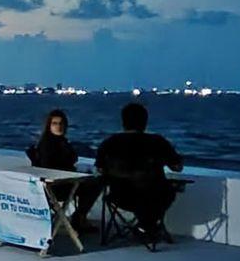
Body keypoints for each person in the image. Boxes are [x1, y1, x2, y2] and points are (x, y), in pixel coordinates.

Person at [94, 102, 184, 243]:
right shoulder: (158, 142)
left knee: (147, 197)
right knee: (168, 192)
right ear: (145, 122)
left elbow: (100, 169)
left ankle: (145, 226)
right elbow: (177, 167)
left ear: (123, 122)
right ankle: (147, 226)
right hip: (154, 197)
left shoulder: (109, 143)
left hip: (121, 197)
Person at [29, 108, 101, 232]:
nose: (59, 126)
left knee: (92, 183)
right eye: (55, 123)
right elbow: (53, 167)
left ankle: (80, 217)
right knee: (95, 184)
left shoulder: (59, 142)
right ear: (49, 126)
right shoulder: (49, 145)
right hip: (57, 186)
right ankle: (79, 217)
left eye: (61, 123)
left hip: (58, 183)